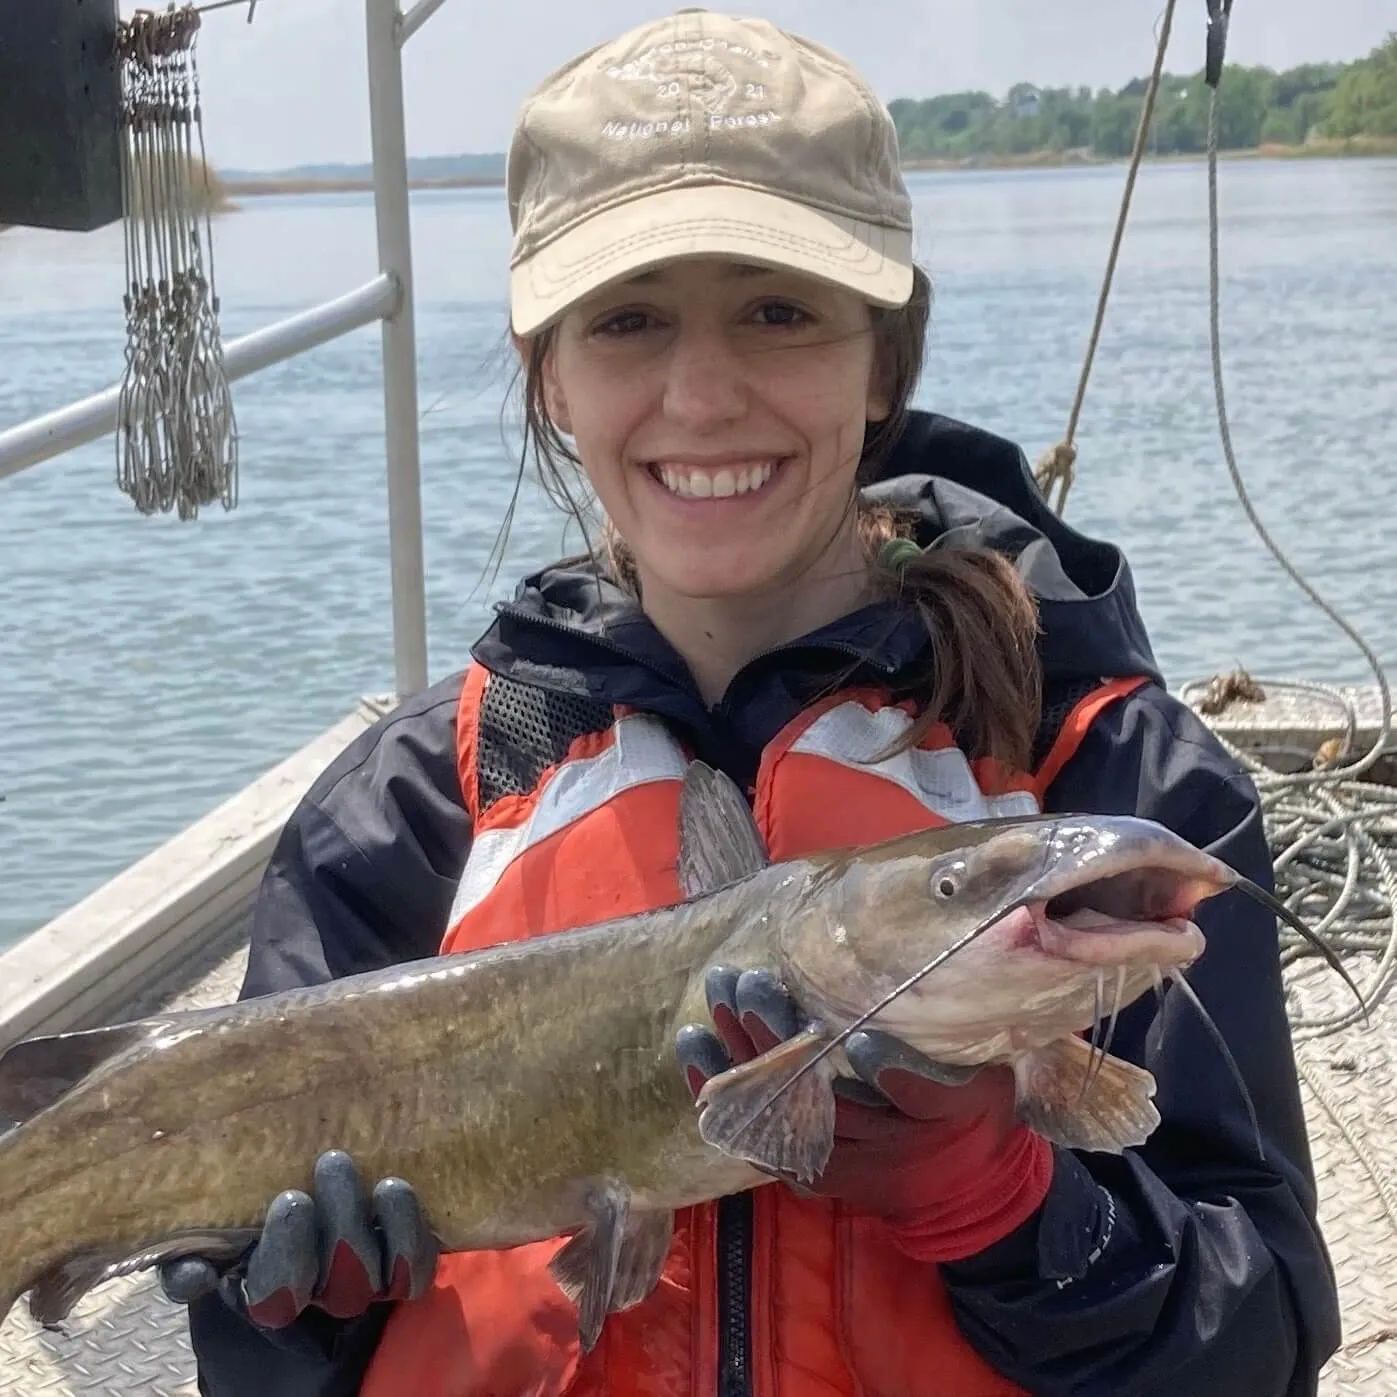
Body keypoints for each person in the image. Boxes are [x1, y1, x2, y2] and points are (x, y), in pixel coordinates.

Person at [162, 11, 1341, 1397]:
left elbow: (1258, 1345)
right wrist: (289, 1316)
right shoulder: (408, 812)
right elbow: (253, 1346)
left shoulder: (1110, 773)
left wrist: (1020, 1215)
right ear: (550, 376)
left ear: (882, 359)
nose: (704, 395)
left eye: (778, 311)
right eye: (629, 321)